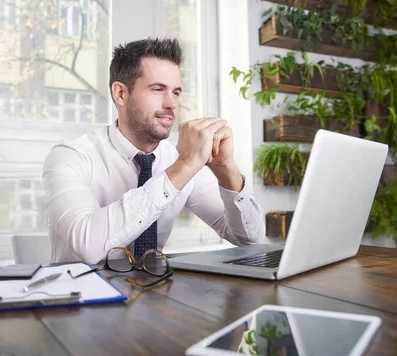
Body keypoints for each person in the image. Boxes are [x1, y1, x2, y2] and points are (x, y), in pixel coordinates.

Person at [43, 37, 264, 264]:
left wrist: (227, 170)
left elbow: (249, 239)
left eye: (176, 92)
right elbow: (89, 246)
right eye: (158, 89)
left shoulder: (181, 158)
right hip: (82, 293)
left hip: (153, 292)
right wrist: (184, 167)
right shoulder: (70, 157)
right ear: (120, 94)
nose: (171, 104)